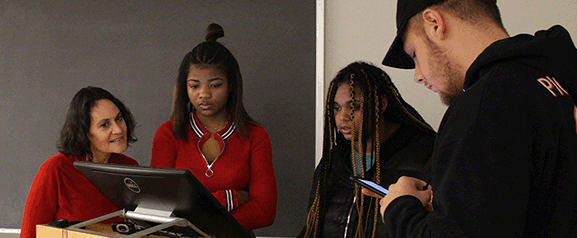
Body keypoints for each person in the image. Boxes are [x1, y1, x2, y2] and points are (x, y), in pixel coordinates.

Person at [366, 0, 577, 237]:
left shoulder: (486, 104)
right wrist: (450, 195)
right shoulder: (554, 82)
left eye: (414, 54)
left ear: (434, 23)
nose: (418, 76)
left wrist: (400, 208)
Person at [150, 23, 276, 232]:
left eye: (215, 85)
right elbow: (159, 206)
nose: (204, 94)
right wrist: (231, 197)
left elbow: (265, 211)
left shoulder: (256, 136)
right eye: (194, 85)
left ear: (231, 86)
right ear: (185, 87)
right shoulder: (168, 134)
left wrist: (196, 222)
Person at [298, 62, 436, 238]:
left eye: (354, 107)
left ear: (382, 104)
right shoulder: (333, 162)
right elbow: (313, 227)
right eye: (337, 108)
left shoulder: (425, 155)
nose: (342, 117)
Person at [20, 87, 139, 238]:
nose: (118, 129)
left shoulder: (130, 167)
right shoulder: (55, 169)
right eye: (104, 124)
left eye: (119, 118)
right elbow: (30, 235)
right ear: (84, 132)